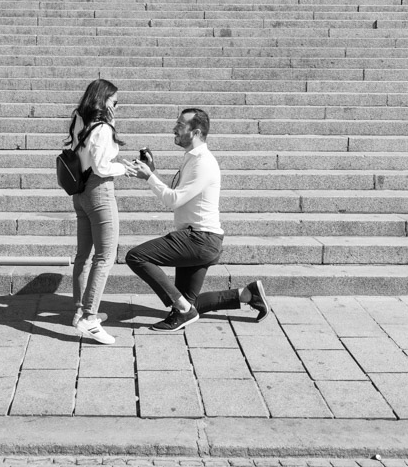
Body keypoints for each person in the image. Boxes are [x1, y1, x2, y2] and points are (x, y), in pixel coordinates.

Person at [122, 108, 271, 332]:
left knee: (136, 257)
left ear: (195, 132)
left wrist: (149, 177)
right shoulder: (192, 159)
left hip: (198, 239)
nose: (175, 128)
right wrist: (152, 171)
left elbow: (173, 200)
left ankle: (183, 309)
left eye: (180, 125)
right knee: (185, 304)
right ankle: (248, 294)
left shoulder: (203, 163)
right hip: (200, 238)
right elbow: (180, 196)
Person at [66, 79, 126, 345]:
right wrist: (125, 168)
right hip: (99, 191)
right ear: (102, 100)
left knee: (84, 255)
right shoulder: (102, 128)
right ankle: (90, 319)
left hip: (80, 192)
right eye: (114, 101)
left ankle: (80, 311)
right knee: (105, 256)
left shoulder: (79, 119)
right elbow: (103, 168)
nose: (117, 106)